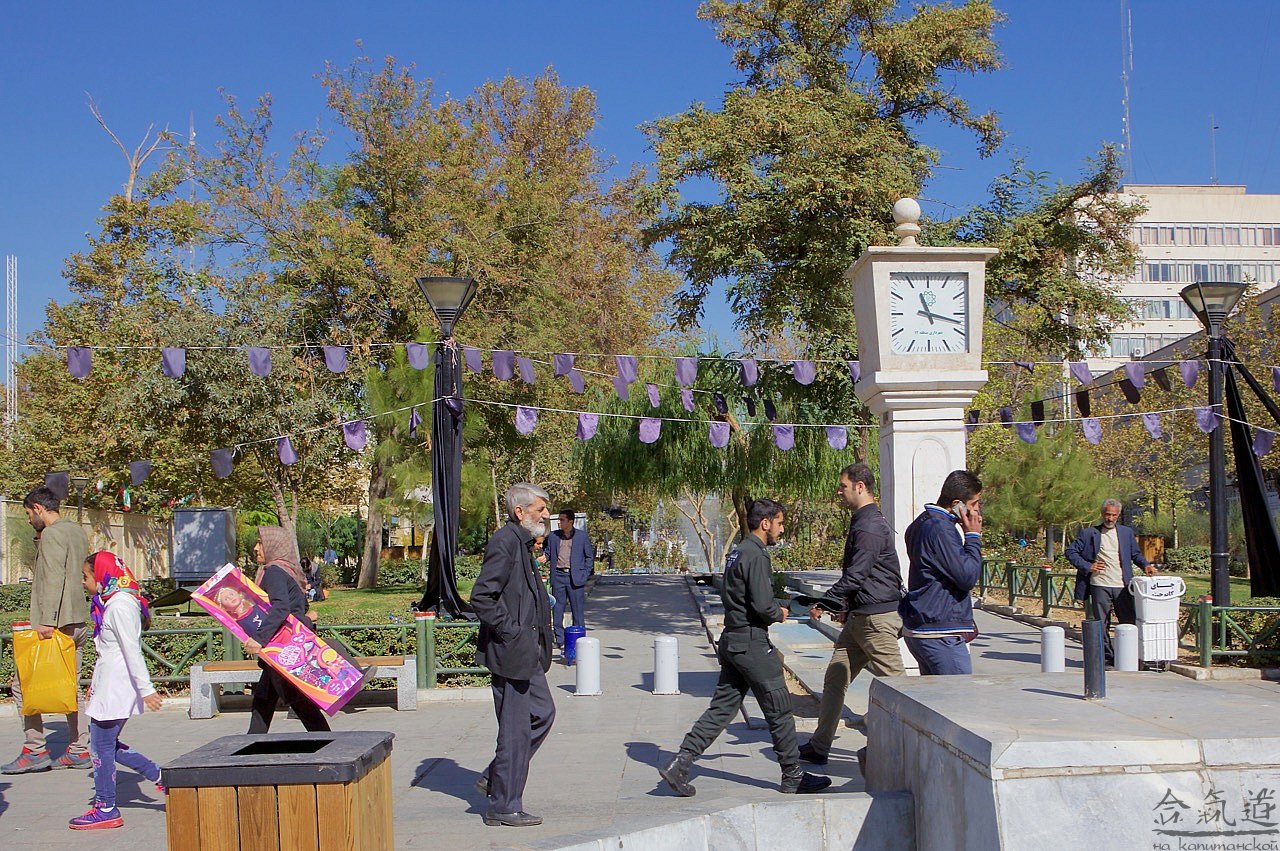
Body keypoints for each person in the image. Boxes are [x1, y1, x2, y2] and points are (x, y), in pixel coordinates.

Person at [660, 499, 830, 797]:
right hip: (752, 643)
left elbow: (742, 597)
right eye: (779, 523)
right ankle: (793, 775)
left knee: (722, 708)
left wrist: (787, 606)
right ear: (765, 523)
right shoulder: (757, 555)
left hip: (733, 640)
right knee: (780, 708)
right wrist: (779, 613)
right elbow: (763, 606)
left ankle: (680, 763)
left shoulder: (738, 552)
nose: (781, 529)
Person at [800, 463, 905, 766]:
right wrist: (845, 608)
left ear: (860, 487)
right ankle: (820, 746)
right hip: (859, 619)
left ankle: (912, 749)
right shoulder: (862, 521)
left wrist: (826, 602)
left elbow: (857, 575)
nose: (839, 491)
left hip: (876, 620)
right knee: (835, 678)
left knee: (901, 689)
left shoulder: (870, 526)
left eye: (843, 486)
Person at [471, 483, 557, 828]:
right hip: (512, 653)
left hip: (527, 653)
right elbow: (482, 596)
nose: (546, 515)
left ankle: (496, 777)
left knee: (543, 714)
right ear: (520, 512)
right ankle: (504, 805)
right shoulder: (505, 542)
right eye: (540, 509)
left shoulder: (522, 543)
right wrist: (512, 631)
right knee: (514, 731)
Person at [69, 552, 165, 830]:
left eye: (86, 576)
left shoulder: (120, 605)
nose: (83, 582)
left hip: (117, 686)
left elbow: (131, 650)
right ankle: (159, 776)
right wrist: (96, 684)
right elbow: (108, 651)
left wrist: (146, 689)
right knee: (105, 743)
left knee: (101, 746)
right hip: (110, 685)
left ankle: (106, 807)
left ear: (101, 575)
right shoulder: (114, 602)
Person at [3, 486, 92, 774]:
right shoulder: (76, 531)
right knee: (70, 686)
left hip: (57, 624)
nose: (29, 519)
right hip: (76, 619)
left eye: (29, 514)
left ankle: (35, 749)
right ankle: (79, 748)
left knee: (22, 685)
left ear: (39, 508)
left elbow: (54, 578)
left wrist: (47, 621)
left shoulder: (53, 534)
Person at [242, 526, 330, 734]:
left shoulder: (274, 572)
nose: (256, 548)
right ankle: (253, 741)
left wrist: (259, 638)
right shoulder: (288, 571)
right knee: (264, 698)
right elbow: (299, 607)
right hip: (286, 643)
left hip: (281, 645)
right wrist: (307, 619)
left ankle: (326, 741)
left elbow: (281, 607)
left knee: (295, 699)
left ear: (274, 545)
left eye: (260, 543)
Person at [899, 470, 984, 676]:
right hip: (939, 632)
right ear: (957, 504)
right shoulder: (940, 528)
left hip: (926, 627)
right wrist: (973, 536)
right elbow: (967, 576)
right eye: (974, 504)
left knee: (935, 694)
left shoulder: (922, 523)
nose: (977, 510)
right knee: (958, 693)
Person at [1067, 499, 1155, 666]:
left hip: (1123, 585)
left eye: (1114, 515)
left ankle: (1129, 657)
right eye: (1108, 514)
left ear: (1118, 515)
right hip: (1100, 584)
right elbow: (1070, 552)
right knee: (1102, 624)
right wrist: (1088, 566)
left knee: (1128, 622)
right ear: (1102, 514)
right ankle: (1107, 658)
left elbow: (1135, 554)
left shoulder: (1126, 532)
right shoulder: (1089, 533)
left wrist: (1146, 565)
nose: (1110, 518)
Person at [543, 509, 593, 649]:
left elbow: (589, 557)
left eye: (562, 520)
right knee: (557, 610)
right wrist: (541, 558)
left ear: (570, 521)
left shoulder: (581, 537)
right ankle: (559, 640)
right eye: (559, 519)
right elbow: (548, 553)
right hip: (558, 576)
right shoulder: (553, 536)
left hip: (575, 578)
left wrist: (584, 574)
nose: (559, 522)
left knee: (577, 612)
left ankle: (579, 641)